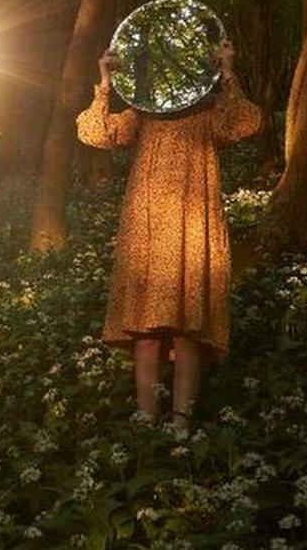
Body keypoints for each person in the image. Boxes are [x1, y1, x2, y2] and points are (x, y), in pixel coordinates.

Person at [76, 41, 261, 427]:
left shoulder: (211, 113)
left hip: (193, 220)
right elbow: (95, 132)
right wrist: (106, 80)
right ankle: (146, 420)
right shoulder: (143, 114)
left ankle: (181, 427)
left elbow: (248, 123)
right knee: (145, 327)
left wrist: (228, 73)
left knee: (187, 327)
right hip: (147, 222)